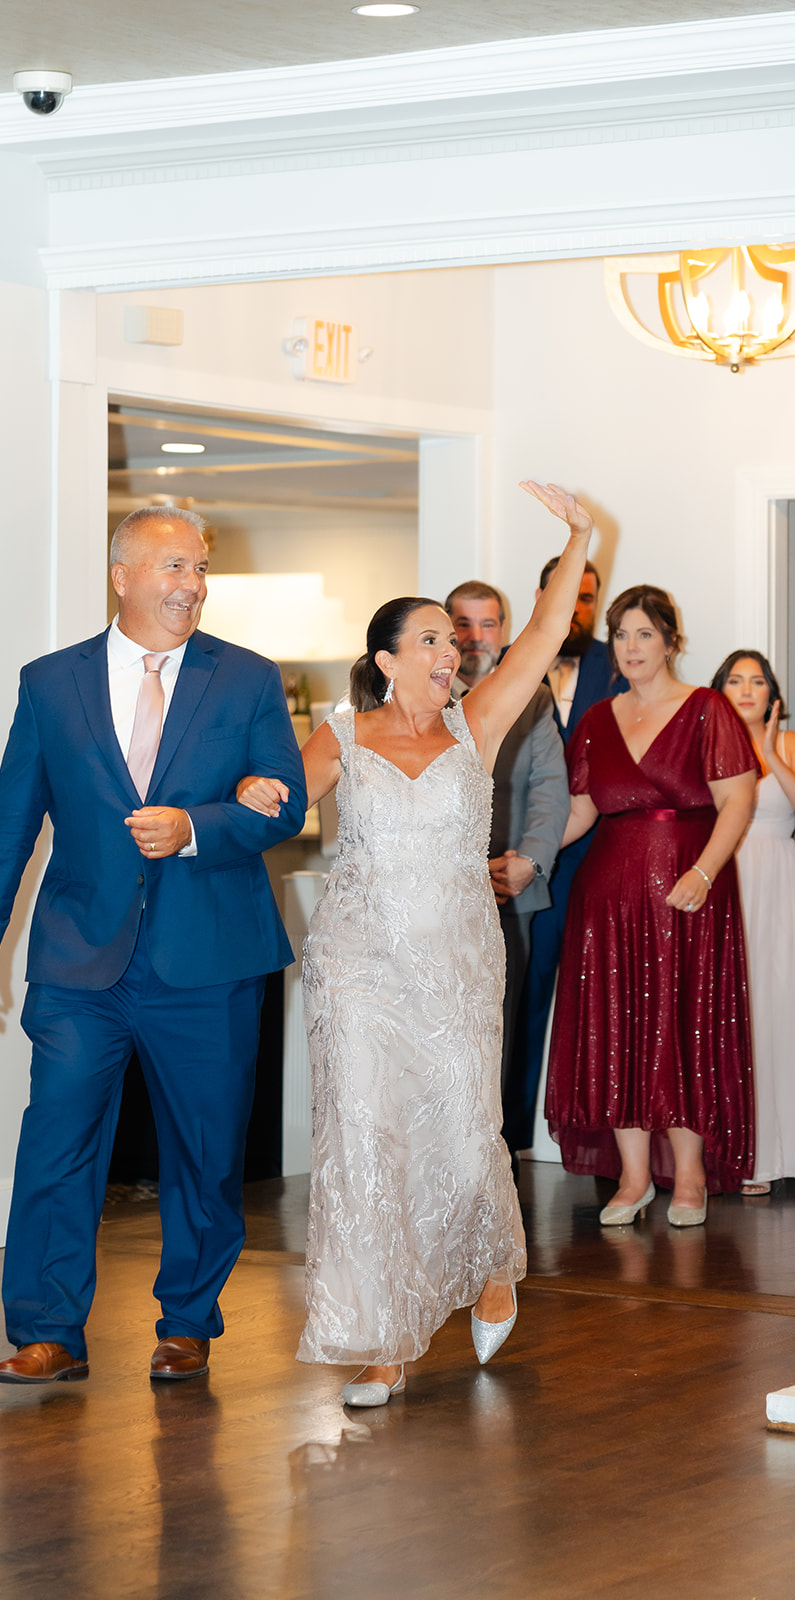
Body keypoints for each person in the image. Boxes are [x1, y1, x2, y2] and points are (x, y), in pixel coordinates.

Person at [238, 481, 593, 1407]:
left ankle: (486, 1269)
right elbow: (270, 809)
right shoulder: (339, 735)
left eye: (456, 639)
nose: (454, 650)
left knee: (462, 1132)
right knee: (363, 1139)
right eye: (432, 639)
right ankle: (381, 1338)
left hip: (456, 966)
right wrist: (238, 802)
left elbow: (543, 639)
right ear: (387, 660)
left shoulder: (478, 727)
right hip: (356, 964)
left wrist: (581, 535)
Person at [0, 507, 307, 1385]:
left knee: (203, 1148)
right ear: (121, 574)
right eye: (171, 566)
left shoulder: (249, 679)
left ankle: (187, 1320)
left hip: (210, 957)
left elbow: (284, 804)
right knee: (57, 1140)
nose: (189, 584)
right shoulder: (50, 683)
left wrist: (196, 826)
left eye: (197, 568)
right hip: (80, 959)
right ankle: (47, 1329)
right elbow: (10, 820)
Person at [547, 587, 758, 1229]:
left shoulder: (705, 708)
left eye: (644, 634)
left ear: (670, 640)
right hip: (607, 898)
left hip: (688, 894)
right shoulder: (597, 718)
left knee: (685, 1024)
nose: (631, 647)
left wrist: (703, 870)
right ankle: (634, 1177)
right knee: (617, 1029)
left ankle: (689, 1176)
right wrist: (522, 853)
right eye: (621, 635)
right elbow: (579, 813)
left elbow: (739, 801)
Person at [503, 557, 626, 1151]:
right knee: (522, 1000)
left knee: (611, 1002)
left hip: (605, 862)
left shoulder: (621, 665)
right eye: (565, 594)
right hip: (524, 868)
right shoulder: (508, 662)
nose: (576, 607)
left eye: (586, 597)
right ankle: (516, 1140)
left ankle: (607, 1148)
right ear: (540, 593)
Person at [444, 581, 569, 1107]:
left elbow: (550, 788)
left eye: (488, 624)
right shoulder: (418, 694)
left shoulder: (533, 697)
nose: (476, 638)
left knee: (501, 1027)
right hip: (436, 890)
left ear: (505, 629)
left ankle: (494, 1165)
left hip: (509, 891)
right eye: (464, 625)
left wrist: (529, 863)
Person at [713, 650, 795, 1195]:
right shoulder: (707, 745)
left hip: (779, 883)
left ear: (772, 694)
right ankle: (740, 1153)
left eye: (757, 681)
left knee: (777, 1006)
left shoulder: (788, 743)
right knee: (731, 1011)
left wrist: (770, 752)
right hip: (724, 878)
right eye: (736, 681)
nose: (747, 690)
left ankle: (778, 1151)